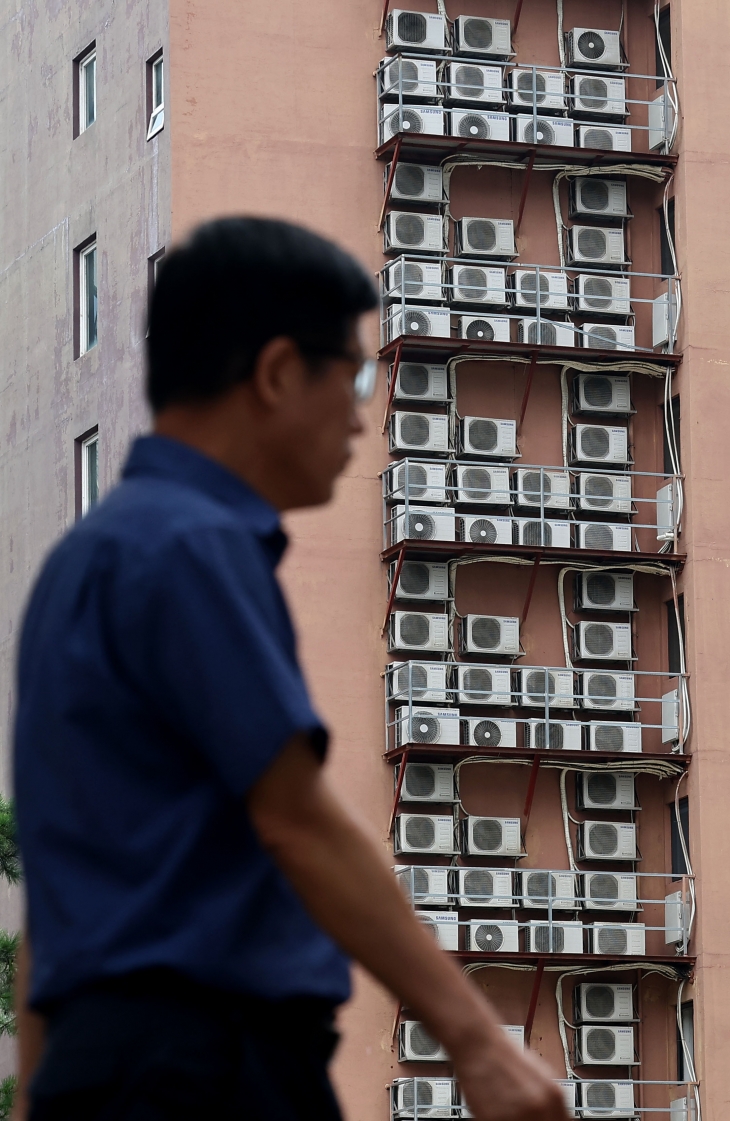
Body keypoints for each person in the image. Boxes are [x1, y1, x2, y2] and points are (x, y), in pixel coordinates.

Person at [12, 217, 568, 1121]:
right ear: (276, 373)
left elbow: (54, 895)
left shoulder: (77, 567)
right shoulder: (191, 547)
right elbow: (295, 818)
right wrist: (478, 1040)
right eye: (353, 375)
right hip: (207, 1067)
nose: (359, 415)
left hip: (96, 1070)